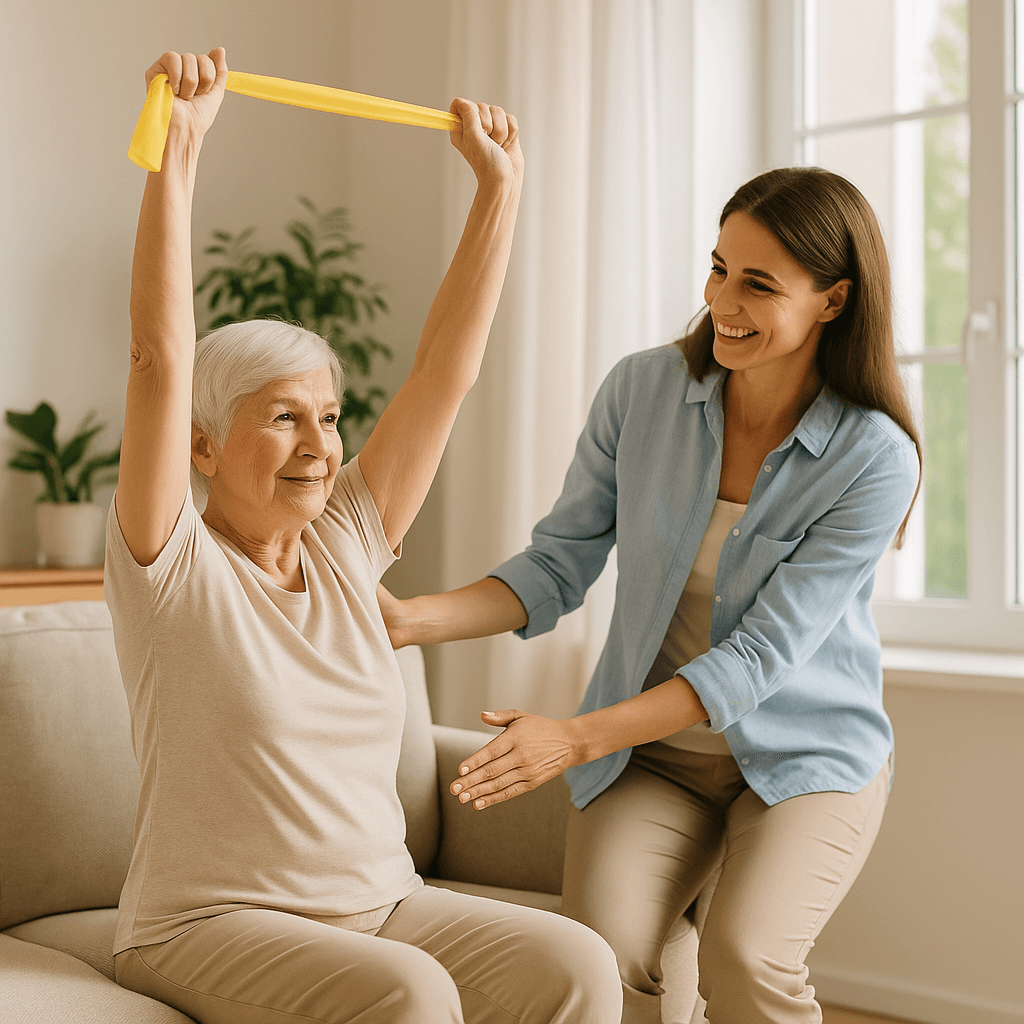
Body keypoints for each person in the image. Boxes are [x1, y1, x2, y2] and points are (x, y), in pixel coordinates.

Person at [106, 47, 622, 1024]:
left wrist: (498, 190)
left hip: (382, 903)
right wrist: (177, 148)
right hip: (207, 920)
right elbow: (155, 359)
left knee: (576, 964)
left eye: (330, 417)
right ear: (205, 447)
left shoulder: (346, 536)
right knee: (411, 992)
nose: (317, 445)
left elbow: (441, 375)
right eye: (282, 417)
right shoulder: (169, 559)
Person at [380, 166, 922, 1024]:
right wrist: (409, 621)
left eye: (758, 283)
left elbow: (755, 663)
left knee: (745, 961)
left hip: (805, 761)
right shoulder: (643, 391)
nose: (724, 301)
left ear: (832, 300)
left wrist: (572, 737)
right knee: (599, 961)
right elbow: (556, 567)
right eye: (717, 268)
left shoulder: (873, 457)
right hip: (654, 764)